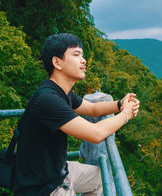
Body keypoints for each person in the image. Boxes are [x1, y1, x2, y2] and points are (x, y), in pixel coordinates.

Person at [13, 33, 140, 196]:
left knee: (101, 178)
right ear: (57, 62)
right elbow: (96, 133)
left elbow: (93, 109)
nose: (84, 60)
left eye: (82, 55)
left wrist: (119, 104)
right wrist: (126, 114)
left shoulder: (62, 92)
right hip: (45, 188)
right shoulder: (48, 100)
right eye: (76, 54)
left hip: (58, 171)